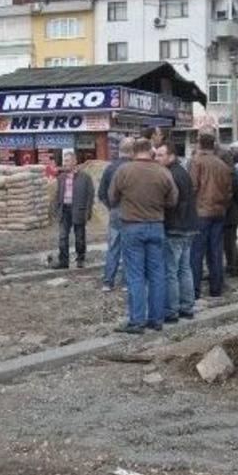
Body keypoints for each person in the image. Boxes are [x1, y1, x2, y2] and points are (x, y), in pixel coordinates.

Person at [109, 138, 178, 334]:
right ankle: (156, 320)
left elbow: (112, 197)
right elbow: (173, 200)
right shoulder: (163, 172)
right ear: (151, 151)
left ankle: (137, 321)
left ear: (132, 152)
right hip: (156, 225)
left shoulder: (124, 171)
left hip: (131, 226)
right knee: (157, 274)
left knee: (135, 275)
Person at [188, 133, 234, 299]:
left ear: (199, 145)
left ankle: (194, 290)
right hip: (219, 212)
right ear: (213, 145)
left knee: (197, 252)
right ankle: (216, 289)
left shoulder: (197, 162)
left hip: (201, 212)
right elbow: (229, 191)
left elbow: (192, 187)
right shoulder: (222, 165)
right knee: (216, 251)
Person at [155, 143, 197, 323]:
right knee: (185, 269)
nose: (156, 159)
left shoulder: (170, 174)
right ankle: (187, 307)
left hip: (174, 227)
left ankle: (171, 311)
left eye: (160, 155)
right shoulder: (183, 172)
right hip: (188, 226)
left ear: (171, 156)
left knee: (171, 271)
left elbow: (170, 202)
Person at [98, 137, 134, 291]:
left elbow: (101, 193)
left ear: (119, 150)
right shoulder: (134, 168)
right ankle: (126, 282)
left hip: (115, 212)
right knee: (129, 248)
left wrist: (111, 207)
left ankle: (108, 281)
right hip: (132, 213)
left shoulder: (110, 168)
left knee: (113, 247)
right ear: (132, 151)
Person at [54, 150, 94, 269]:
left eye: (67, 161)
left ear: (74, 162)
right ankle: (63, 261)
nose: (64, 163)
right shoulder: (61, 177)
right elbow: (57, 194)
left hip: (78, 210)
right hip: (64, 210)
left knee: (80, 237)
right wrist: (57, 208)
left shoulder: (85, 177)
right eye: (63, 161)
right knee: (62, 236)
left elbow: (90, 195)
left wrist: (88, 212)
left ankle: (80, 259)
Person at [221, 149, 238, 278]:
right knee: (230, 242)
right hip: (232, 212)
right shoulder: (234, 174)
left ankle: (233, 267)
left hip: (230, 213)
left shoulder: (233, 175)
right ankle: (237, 264)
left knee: (229, 242)